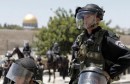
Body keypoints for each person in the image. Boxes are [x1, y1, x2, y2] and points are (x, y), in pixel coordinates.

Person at [69, 3, 130, 84]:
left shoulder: (106, 37)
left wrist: (110, 73)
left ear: (97, 19)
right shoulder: (79, 39)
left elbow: (128, 55)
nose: (85, 20)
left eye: (88, 17)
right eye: (83, 17)